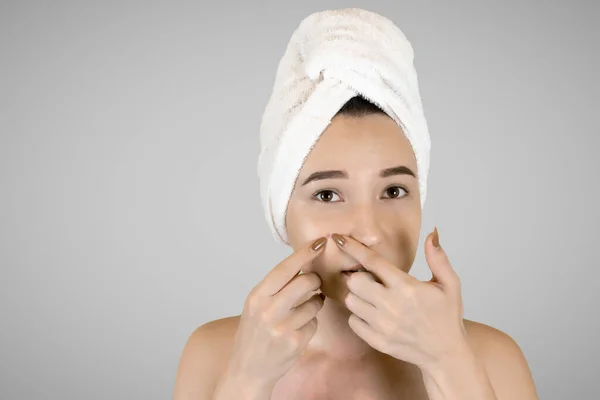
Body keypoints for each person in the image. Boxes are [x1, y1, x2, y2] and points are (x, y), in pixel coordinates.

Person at [173, 9, 539, 400]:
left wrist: (450, 363)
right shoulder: (213, 355)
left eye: (394, 191)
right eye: (328, 194)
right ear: (282, 212)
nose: (368, 230)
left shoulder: (493, 358)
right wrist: (246, 382)